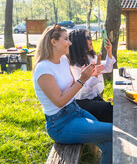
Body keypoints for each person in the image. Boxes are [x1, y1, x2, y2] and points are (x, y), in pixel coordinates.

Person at [32, 25, 112, 164]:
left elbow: (73, 86)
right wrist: (83, 79)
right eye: (66, 39)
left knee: (110, 145)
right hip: (61, 124)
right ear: (53, 42)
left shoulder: (63, 60)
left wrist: (85, 77)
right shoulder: (43, 69)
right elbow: (59, 101)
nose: (70, 42)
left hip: (76, 111)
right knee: (115, 130)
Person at [68, 29, 115, 123]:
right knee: (108, 109)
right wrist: (95, 74)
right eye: (88, 38)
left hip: (93, 97)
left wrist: (109, 52)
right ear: (80, 42)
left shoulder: (90, 56)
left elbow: (107, 68)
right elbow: (83, 90)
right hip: (81, 101)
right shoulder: (74, 65)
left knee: (112, 108)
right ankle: (109, 135)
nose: (91, 40)